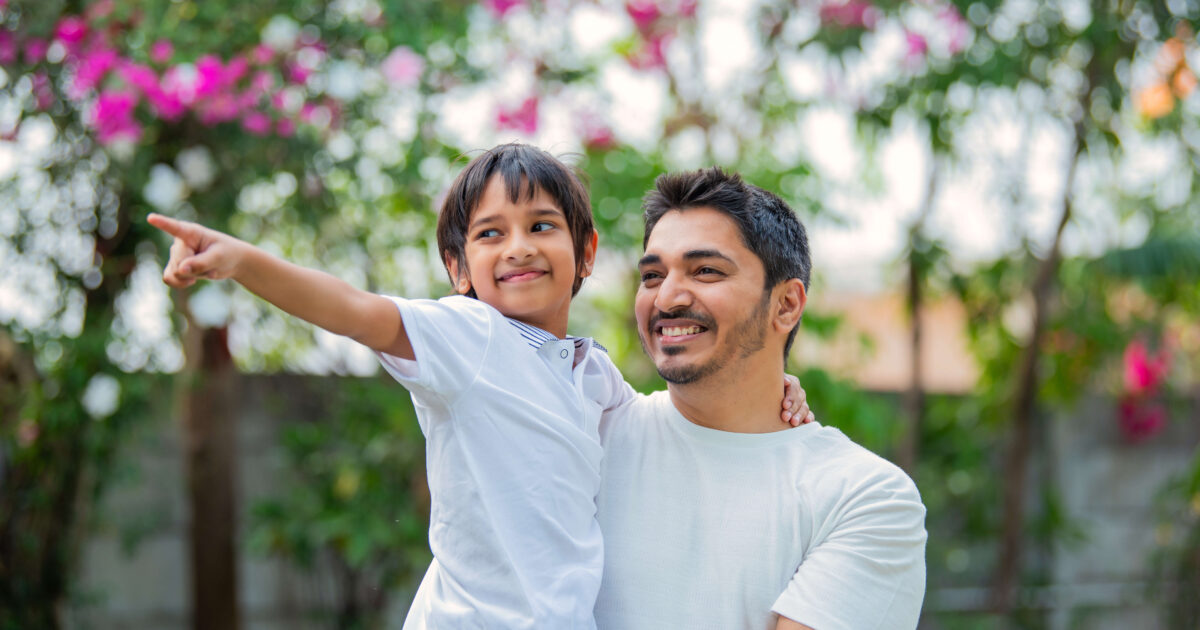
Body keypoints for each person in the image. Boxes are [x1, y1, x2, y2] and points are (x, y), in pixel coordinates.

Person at [147, 144, 812, 629]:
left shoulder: (589, 372)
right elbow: (352, 308)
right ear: (458, 267)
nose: (518, 247)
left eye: (541, 226)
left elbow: (667, 423)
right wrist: (240, 260)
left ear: (585, 252)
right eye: (491, 234)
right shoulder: (465, 338)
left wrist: (773, 390)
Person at [594, 167, 927, 630]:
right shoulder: (586, 434)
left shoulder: (862, 497)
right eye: (652, 275)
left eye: (705, 270)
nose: (666, 298)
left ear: (787, 304)